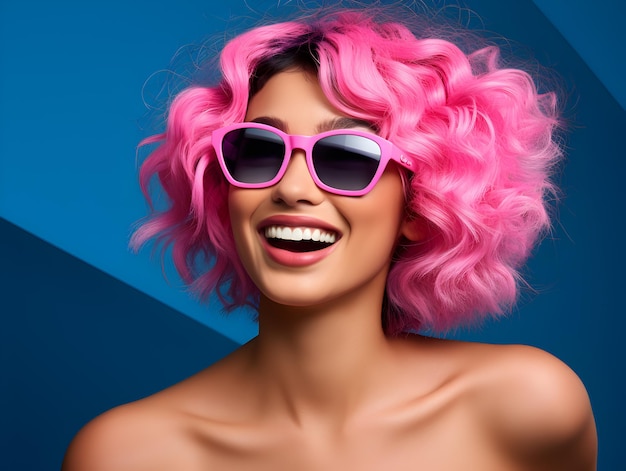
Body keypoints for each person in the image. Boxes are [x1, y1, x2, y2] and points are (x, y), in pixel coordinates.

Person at [62, 7, 597, 470]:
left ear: (420, 204)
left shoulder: (527, 409)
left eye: (347, 158)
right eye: (258, 151)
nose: (292, 188)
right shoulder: (127, 455)